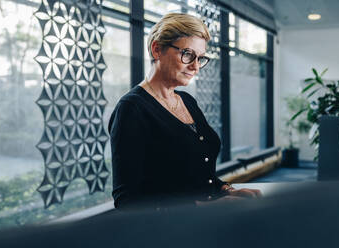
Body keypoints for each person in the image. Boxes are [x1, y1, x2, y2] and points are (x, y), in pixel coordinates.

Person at [108, 13, 261, 210]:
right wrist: (203, 207)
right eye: (187, 54)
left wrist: (225, 189)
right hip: (170, 235)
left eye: (201, 58)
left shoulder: (187, 101)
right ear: (157, 49)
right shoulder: (131, 109)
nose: (195, 66)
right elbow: (127, 201)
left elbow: (198, 172)